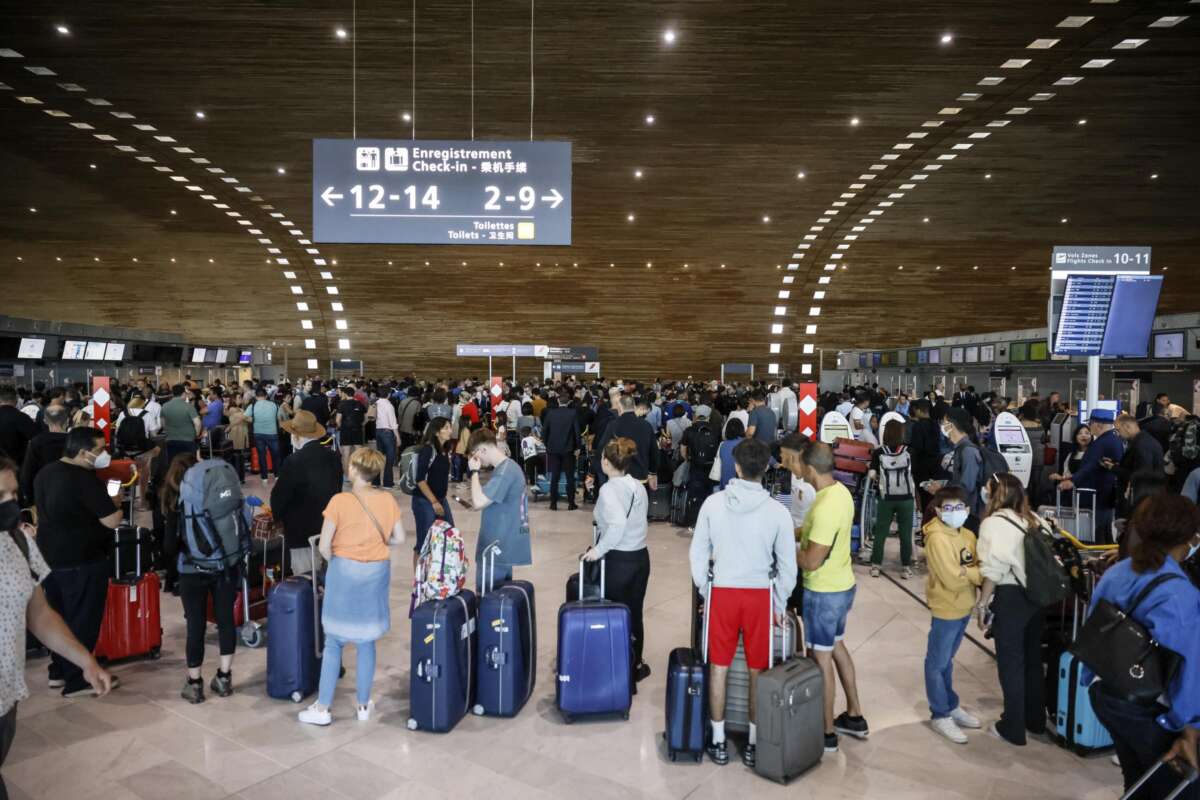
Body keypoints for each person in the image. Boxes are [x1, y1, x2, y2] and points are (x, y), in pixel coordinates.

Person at [0, 457, 113, 794]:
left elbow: (39, 613)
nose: (10, 504)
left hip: (6, 698)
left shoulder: (18, 542)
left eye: (13, 494)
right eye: (0, 495)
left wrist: (84, 660)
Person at [689, 438, 798, 768]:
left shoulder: (713, 504)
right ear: (766, 468)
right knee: (757, 670)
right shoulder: (778, 512)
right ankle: (752, 742)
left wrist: (705, 591)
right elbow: (788, 568)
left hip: (723, 593)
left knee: (718, 667)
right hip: (759, 596)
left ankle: (718, 740)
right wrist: (778, 603)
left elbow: (697, 552)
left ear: (736, 467)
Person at [1083, 495, 1200, 797]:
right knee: (1179, 789)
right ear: (1188, 538)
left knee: (1137, 778)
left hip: (1106, 690)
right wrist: (1189, 726)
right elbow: (1186, 666)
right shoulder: (1178, 593)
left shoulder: (1118, 571)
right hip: (1146, 705)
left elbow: (1094, 627)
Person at [299, 449, 405, 726]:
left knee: (334, 641)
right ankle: (363, 705)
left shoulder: (340, 501)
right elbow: (399, 538)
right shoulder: (387, 500)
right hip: (376, 573)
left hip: (344, 573)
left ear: (355, 470)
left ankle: (323, 708)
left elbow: (324, 546)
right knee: (366, 641)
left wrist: (341, 557)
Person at [34, 427, 125, 697]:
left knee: (58, 618)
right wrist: (116, 503)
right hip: (83, 559)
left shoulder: (45, 472)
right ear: (83, 452)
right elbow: (111, 520)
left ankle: (59, 671)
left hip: (49, 558)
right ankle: (78, 679)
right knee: (83, 619)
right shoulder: (84, 479)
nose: (104, 454)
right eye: (100, 449)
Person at [795, 441, 869, 753]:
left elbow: (812, 560)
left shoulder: (825, 507)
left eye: (800, 464)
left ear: (810, 468)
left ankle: (826, 733)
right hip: (842, 585)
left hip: (824, 592)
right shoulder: (839, 493)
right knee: (836, 646)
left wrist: (789, 551)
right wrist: (794, 532)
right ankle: (854, 715)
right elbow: (817, 534)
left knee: (820, 659)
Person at [974, 472, 1054, 746]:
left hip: (1011, 597)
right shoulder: (1035, 519)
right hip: (1038, 597)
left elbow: (993, 571)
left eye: (987, 489)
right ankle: (1035, 720)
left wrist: (982, 604)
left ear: (996, 493)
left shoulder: (993, 524)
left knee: (1011, 663)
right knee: (1032, 659)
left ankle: (1012, 727)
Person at [159, 452, 240, 703]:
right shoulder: (217, 492)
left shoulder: (175, 501)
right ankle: (224, 678)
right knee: (226, 620)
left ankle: (194, 684)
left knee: (196, 625)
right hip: (226, 564)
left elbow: (169, 546)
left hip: (191, 570)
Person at [583, 437, 652, 690]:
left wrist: (597, 551)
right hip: (640, 557)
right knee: (635, 614)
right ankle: (634, 666)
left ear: (606, 462)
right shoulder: (637, 486)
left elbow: (617, 524)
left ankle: (614, 670)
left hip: (619, 561)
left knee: (614, 615)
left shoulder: (609, 490)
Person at [922, 486, 984, 743]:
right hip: (946, 607)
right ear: (938, 511)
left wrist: (967, 573)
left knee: (947, 660)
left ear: (967, 510)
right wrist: (972, 574)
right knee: (936, 663)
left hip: (965, 606)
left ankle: (950, 704)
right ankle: (940, 713)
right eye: (948, 508)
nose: (954, 512)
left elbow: (978, 568)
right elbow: (951, 578)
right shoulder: (936, 538)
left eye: (959, 507)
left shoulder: (968, 535)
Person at [272, 410, 343, 575]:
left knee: (306, 578)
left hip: (300, 532)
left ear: (296, 436)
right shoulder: (333, 456)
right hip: (329, 527)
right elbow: (338, 489)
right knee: (328, 576)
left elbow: (279, 498)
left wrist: (278, 520)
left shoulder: (293, 461)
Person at [467, 428, 531, 592]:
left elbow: (479, 502)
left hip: (495, 548)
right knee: (499, 598)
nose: (476, 459)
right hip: (502, 546)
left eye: (475, 454)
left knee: (488, 598)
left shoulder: (504, 472)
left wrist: (474, 471)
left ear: (483, 449)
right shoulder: (508, 467)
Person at [1057, 408, 1124, 544]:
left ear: (1098, 425)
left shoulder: (1102, 442)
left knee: (1096, 532)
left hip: (1097, 495)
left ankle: (1097, 554)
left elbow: (1090, 466)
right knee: (1105, 531)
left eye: (1090, 424)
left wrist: (1073, 481)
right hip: (1106, 494)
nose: (1089, 427)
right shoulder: (1113, 439)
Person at [868, 420, 917, 579]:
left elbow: (872, 474)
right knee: (905, 533)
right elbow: (914, 473)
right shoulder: (910, 451)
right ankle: (905, 567)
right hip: (906, 498)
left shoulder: (879, 452)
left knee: (881, 532)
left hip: (886, 497)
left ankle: (876, 566)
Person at [412, 417, 455, 571]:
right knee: (424, 541)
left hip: (440, 499)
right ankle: (419, 578)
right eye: (446, 428)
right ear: (437, 432)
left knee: (449, 533)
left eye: (450, 427)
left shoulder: (445, 450)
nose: (450, 430)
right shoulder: (428, 450)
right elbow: (420, 479)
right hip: (424, 501)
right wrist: (434, 502)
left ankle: (438, 573)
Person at [594, 394, 659, 493]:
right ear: (634, 407)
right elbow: (654, 452)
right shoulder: (646, 425)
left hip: (619, 478)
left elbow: (601, 449)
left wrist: (591, 473)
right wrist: (653, 473)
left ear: (620, 408)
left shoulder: (613, 425)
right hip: (640, 478)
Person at [1109, 413, 1166, 515]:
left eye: (1118, 430)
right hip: (1146, 499)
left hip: (1142, 501)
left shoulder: (1142, 444)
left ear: (1127, 427)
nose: (1118, 434)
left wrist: (1114, 468)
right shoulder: (1143, 440)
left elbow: (1141, 474)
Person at [939, 408, 984, 528]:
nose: (941, 426)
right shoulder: (960, 448)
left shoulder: (968, 451)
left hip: (969, 513)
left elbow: (967, 486)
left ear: (951, 425)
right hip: (962, 509)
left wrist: (944, 489)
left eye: (943, 422)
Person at [19, 403, 68, 506]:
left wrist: (29, 498)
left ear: (45, 421)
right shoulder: (74, 441)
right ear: (67, 420)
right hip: (71, 494)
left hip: (44, 495)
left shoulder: (36, 442)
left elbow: (28, 472)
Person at [542, 389, 581, 510]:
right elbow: (577, 432)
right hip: (568, 449)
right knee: (570, 476)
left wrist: (547, 444)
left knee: (555, 476)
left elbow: (544, 431)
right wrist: (578, 447)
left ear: (558, 401)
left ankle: (553, 503)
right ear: (568, 402)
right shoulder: (573, 413)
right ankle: (571, 503)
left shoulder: (551, 413)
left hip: (553, 449)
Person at [680, 409, 719, 526]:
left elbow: (683, 451)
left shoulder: (689, 430)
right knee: (710, 494)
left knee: (695, 494)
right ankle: (709, 522)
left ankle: (693, 521)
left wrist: (688, 459)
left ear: (696, 416)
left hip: (695, 466)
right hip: (711, 467)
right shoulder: (716, 430)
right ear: (708, 417)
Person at [161, 384, 201, 465]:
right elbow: (198, 423)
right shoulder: (188, 406)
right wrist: (196, 434)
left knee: (173, 464)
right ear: (183, 394)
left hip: (171, 440)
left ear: (172, 393)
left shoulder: (164, 406)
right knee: (189, 464)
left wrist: (169, 431)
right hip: (188, 440)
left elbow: (162, 423)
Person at [335, 386, 366, 478]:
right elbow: (366, 418)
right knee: (359, 453)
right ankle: (359, 475)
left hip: (345, 430)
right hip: (357, 430)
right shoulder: (360, 404)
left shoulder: (342, 404)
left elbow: (337, 420)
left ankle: (347, 476)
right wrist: (361, 424)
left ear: (345, 394)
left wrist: (341, 427)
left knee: (346, 454)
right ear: (354, 394)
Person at [374, 389, 399, 488]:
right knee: (390, 457)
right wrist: (397, 436)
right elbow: (393, 422)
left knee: (379, 457)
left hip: (378, 431)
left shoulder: (376, 403)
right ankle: (388, 482)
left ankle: (375, 481)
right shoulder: (389, 405)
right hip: (387, 432)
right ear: (388, 394)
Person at [711, 418, 745, 491]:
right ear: (742, 429)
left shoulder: (723, 445)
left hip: (724, 487)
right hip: (741, 488)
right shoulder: (747, 444)